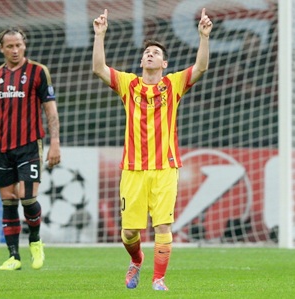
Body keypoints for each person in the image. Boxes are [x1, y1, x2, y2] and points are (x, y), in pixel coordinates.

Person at [93, 9, 212, 291]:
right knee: (129, 232)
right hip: (132, 169)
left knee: (162, 227)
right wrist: (100, 35)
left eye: (155, 52)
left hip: (165, 168)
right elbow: (99, 68)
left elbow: (201, 67)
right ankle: (136, 260)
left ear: (164, 62)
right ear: (141, 59)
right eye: (147, 51)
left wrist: (203, 37)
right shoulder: (128, 84)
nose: (150, 54)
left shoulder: (173, 84)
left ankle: (158, 279)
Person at [0, 27, 61, 271]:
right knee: (8, 200)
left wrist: (55, 142)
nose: (14, 50)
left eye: (18, 45)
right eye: (9, 46)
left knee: (28, 196)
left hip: (30, 144)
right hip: (1, 147)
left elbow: (50, 110)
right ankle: (14, 256)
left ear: (25, 45)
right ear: (1, 48)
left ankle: (35, 240)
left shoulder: (38, 72)